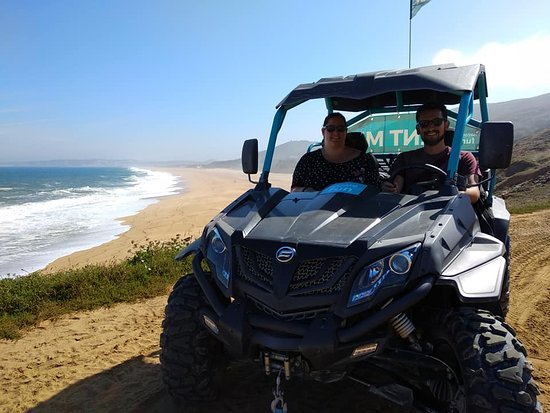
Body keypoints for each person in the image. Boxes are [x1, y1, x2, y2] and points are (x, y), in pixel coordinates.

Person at [381, 102, 481, 203]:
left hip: (449, 214)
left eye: (437, 122)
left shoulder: (464, 158)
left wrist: (449, 195)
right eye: (424, 124)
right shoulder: (405, 159)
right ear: (418, 129)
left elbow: (474, 193)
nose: (431, 128)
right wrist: (389, 189)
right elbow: (395, 188)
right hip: (409, 213)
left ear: (446, 125)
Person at [291, 113, 379, 192]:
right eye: (330, 129)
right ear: (323, 132)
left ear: (346, 131)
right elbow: (294, 189)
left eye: (340, 129)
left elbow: (375, 189)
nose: (336, 133)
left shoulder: (365, 160)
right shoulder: (308, 160)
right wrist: (306, 190)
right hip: (316, 209)